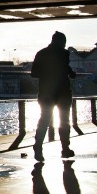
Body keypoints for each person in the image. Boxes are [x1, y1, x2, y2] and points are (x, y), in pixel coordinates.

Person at [30, 31, 76, 161]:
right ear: (61, 42)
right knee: (64, 122)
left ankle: (38, 147)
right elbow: (65, 68)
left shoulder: (41, 53)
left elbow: (33, 73)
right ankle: (65, 149)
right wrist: (71, 74)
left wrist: (46, 74)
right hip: (63, 93)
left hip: (46, 93)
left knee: (44, 121)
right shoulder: (64, 53)